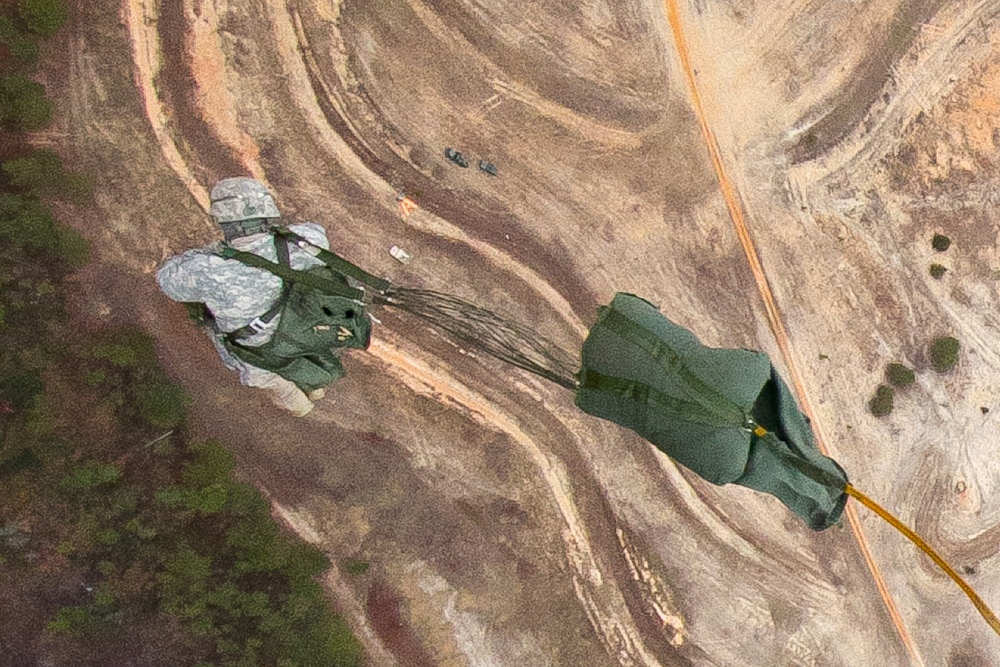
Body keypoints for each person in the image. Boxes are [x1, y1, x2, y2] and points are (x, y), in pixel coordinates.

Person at [157, 177, 373, 416]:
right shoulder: (307, 239)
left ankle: (296, 400)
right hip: (307, 328)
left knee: (255, 366)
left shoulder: (207, 270)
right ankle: (314, 382)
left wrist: (211, 250)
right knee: (298, 343)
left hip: (262, 347)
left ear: (221, 218)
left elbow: (167, 281)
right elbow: (313, 230)